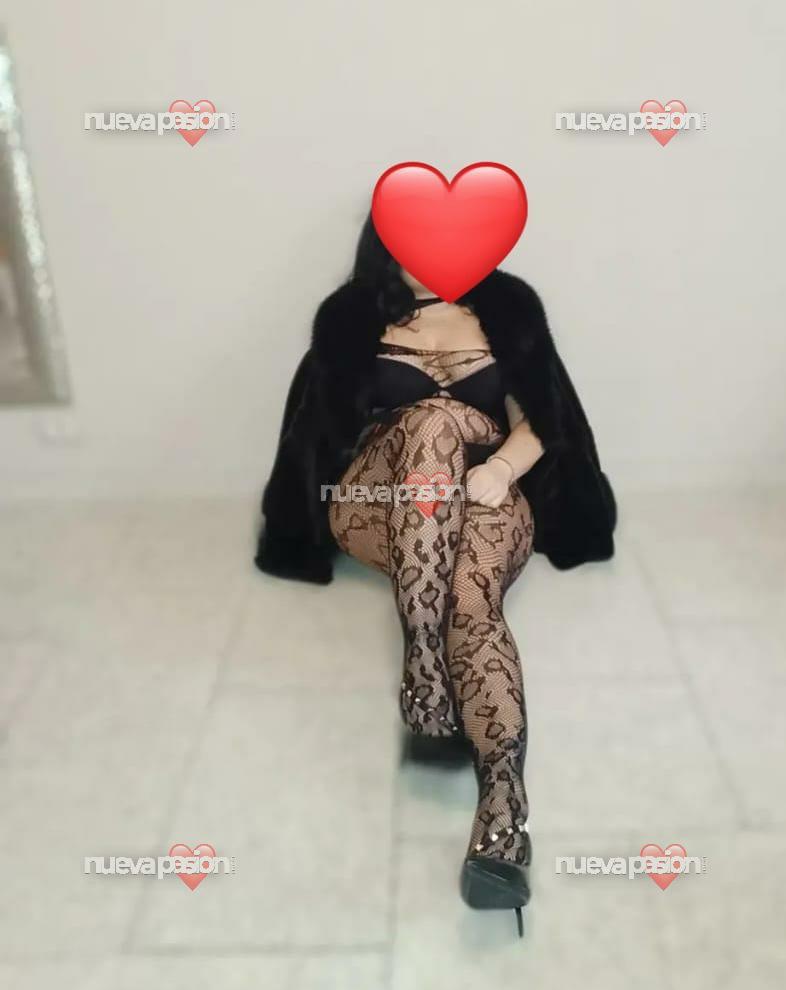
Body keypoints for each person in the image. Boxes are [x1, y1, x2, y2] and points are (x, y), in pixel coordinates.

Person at [255, 210, 617, 937]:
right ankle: (425, 657)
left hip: (488, 498)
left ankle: (502, 817)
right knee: (429, 423)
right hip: (378, 503)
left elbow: (544, 415)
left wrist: (504, 470)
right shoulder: (354, 318)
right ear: (385, 244)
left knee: (471, 600)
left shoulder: (507, 310)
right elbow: (319, 427)